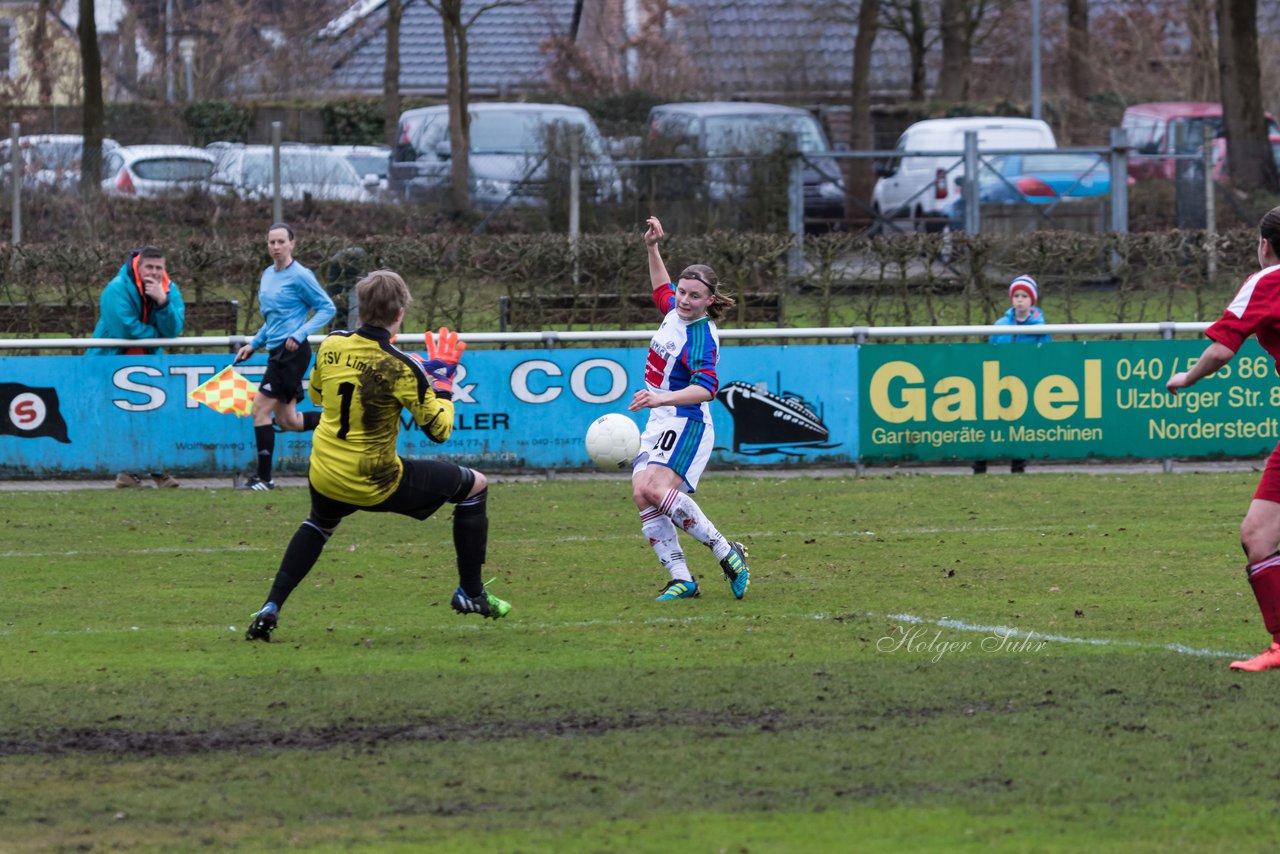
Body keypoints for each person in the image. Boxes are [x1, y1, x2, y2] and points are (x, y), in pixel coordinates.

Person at [243, 270, 510, 642]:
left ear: (359, 310)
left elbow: (320, 398)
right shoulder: (402, 365)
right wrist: (443, 385)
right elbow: (439, 430)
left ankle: (271, 605)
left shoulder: (333, 344)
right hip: (375, 479)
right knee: (474, 486)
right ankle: (471, 592)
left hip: (324, 470)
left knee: (319, 524)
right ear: (400, 312)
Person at [1167, 205, 1280, 672]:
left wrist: (1186, 378)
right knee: (1258, 535)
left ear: (1264, 245)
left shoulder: (1268, 280)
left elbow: (1220, 349)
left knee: (1258, 535)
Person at [629, 215, 751, 602]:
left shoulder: (701, 337)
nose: (683, 299)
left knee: (654, 487)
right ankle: (682, 578)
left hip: (688, 422)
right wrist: (652, 248)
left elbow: (706, 389)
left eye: (694, 296)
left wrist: (660, 397)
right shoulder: (674, 310)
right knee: (641, 493)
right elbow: (660, 288)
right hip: (661, 417)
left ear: (709, 301)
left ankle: (724, 550)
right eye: (682, 292)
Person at [234, 223, 336, 491]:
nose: (276, 247)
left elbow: (327, 308)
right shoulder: (268, 274)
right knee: (288, 421)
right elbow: (274, 319)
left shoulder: (301, 275)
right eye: (271, 242)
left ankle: (264, 479)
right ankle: (343, 420)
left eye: (281, 242)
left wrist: (300, 333)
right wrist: (253, 344)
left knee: (259, 409)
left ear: (292, 244)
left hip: (291, 354)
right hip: (276, 351)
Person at [86, 245, 185, 489]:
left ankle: (156, 470)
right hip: (112, 362)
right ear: (138, 268)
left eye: (158, 268)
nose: (154, 272)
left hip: (148, 363)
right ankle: (128, 472)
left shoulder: (169, 291)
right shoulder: (116, 288)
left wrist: (162, 303)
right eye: (149, 267)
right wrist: (157, 336)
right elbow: (126, 330)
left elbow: (174, 329)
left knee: (154, 416)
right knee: (123, 417)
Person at [974, 274, 1051, 475]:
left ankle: (1018, 466)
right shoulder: (1001, 325)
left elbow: (1046, 354)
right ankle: (980, 464)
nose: (1019, 299)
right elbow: (991, 350)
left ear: (1031, 300)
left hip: (1024, 382)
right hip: (999, 379)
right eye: (1016, 295)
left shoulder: (1041, 328)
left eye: (1024, 296)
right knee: (989, 421)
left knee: (1019, 424)